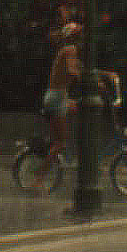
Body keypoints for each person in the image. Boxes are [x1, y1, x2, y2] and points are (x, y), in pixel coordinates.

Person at [42, 22, 82, 167]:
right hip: (57, 98)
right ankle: (38, 179)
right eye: (79, 35)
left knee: (82, 109)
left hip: (59, 96)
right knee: (60, 143)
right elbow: (73, 71)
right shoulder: (70, 50)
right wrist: (94, 83)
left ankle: (73, 154)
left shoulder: (69, 50)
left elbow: (82, 70)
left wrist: (108, 75)